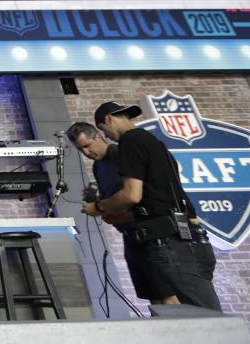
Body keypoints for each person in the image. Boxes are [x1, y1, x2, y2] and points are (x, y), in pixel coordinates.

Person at [83, 101, 222, 311]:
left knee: (201, 314)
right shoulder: (154, 142)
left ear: (109, 120)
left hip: (167, 240)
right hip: (184, 234)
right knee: (190, 311)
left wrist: (100, 207)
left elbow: (131, 194)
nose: (107, 136)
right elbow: (159, 195)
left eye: (103, 130)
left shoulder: (129, 142)